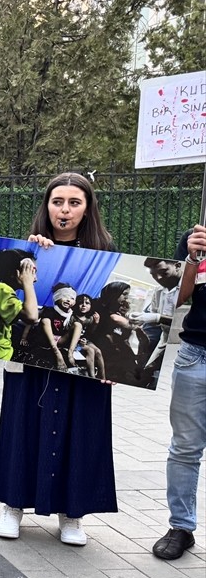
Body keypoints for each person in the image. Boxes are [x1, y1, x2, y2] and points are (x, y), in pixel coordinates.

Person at [0, 172, 116, 546]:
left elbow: (103, 321)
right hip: (32, 362)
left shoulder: (106, 252)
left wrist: (113, 367)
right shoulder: (30, 251)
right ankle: (13, 505)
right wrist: (33, 253)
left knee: (81, 428)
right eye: (57, 201)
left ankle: (72, 513)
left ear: (88, 208)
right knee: (23, 423)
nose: (64, 210)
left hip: (81, 365)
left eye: (74, 202)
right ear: (46, 206)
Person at [152, 225, 205, 560]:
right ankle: (181, 527)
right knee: (185, 448)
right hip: (195, 355)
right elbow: (176, 298)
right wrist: (190, 257)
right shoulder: (196, 236)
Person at [91, 281, 142, 385]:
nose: (126, 298)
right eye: (124, 294)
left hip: (111, 341)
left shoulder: (115, 308)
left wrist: (125, 314)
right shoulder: (95, 304)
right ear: (114, 292)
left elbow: (125, 332)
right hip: (97, 340)